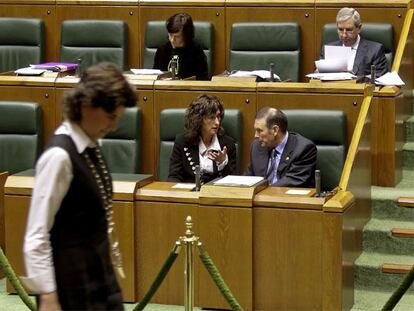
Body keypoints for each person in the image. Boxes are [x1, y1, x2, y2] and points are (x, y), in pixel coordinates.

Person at [22, 62, 137, 311]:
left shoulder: (92, 145)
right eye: (110, 117)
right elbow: (36, 235)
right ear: (86, 105)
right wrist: (49, 297)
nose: (114, 126)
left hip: (99, 278)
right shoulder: (59, 157)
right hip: (69, 287)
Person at [168, 94, 237, 183]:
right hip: (189, 193)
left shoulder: (227, 144)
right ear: (198, 119)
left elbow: (233, 181)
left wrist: (222, 163)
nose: (217, 122)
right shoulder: (183, 142)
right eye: (211, 117)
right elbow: (174, 176)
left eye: (218, 117)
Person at [246, 107, 317, 187]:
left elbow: (293, 180)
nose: (256, 135)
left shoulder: (303, 149)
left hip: (289, 198)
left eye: (260, 131)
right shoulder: (256, 146)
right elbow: (249, 178)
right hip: (260, 197)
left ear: (275, 130)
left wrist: (264, 190)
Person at [320, 7, 388, 77]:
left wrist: (354, 78)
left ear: (359, 28)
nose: (344, 35)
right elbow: (319, 77)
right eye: (340, 29)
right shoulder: (327, 50)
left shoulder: (375, 50)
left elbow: (379, 78)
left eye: (349, 30)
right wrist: (318, 73)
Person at [153, 12, 209, 80]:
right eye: (170, 35)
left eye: (177, 37)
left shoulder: (196, 51)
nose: (172, 40)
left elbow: (203, 79)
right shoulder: (162, 50)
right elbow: (154, 76)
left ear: (186, 35)